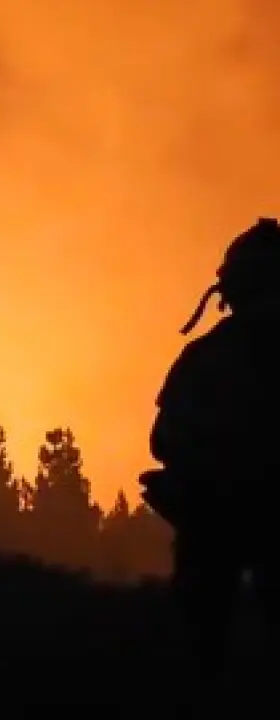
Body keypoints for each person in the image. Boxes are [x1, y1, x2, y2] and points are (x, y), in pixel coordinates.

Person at [144, 217, 280, 684]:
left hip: (214, 522)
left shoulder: (205, 357)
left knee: (202, 653)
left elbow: (163, 440)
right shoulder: (206, 357)